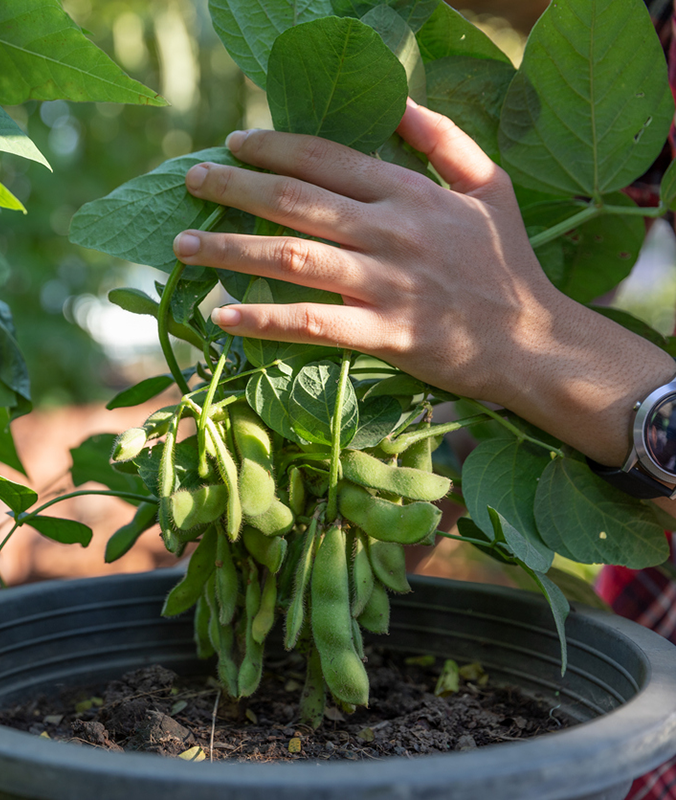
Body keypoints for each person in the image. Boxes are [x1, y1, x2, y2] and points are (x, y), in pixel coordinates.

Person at [171, 101, 676, 798]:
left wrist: (527, 332)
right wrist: (416, 442)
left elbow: (521, 325)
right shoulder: (649, 38)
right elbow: (487, 325)